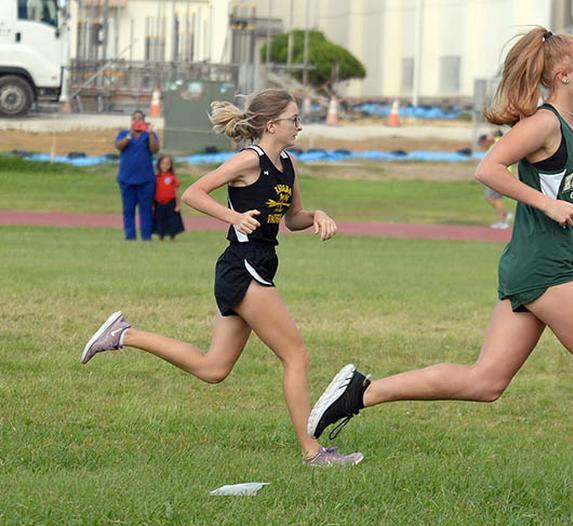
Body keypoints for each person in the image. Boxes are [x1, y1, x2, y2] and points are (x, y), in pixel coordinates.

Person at [307, 28, 573, 526]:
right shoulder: (541, 124)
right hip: (544, 271)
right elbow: (488, 169)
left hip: (539, 266)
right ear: (563, 75)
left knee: (486, 382)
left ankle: (359, 393)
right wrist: (544, 202)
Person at [81, 89, 363, 467]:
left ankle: (123, 334)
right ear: (271, 125)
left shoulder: (288, 165)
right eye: (294, 119)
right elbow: (195, 193)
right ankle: (312, 453)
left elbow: (292, 219)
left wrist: (318, 215)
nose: (299, 125)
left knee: (213, 369)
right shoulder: (249, 160)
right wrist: (234, 217)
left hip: (258, 264)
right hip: (241, 266)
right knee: (297, 355)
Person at [115, 110, 160, 241]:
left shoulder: (149, 135)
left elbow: (155, 149)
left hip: (146, 180)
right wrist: (129, 135)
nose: (137, 121)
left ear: (144, 121)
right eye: (135, 119)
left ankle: (146, 236)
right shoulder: (124, 134)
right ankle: (130, 236)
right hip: (126, 179)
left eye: (140, 119)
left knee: (146, 209)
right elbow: (119, 146)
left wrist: (150, 133)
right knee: (128, 210)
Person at [478, 129, 514, 229]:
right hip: (496, 174)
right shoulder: (492, 146)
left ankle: (504, 220)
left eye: (482, 143)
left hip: (500, 174)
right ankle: (505, 215)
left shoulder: (498, 141)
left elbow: (497, 131)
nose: (482, 146)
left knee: (494, 198)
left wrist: (491, 134)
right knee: (490, 197)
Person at [152, 155, 185, 241]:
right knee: (160, 220)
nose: (165, 166)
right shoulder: (156, 178)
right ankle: (161, 236)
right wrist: (153, 204)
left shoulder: (172, 177)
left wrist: (178, 204)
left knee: (172, 220)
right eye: (163, 163)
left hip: (170, 202)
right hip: (159, 203)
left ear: (170, 165)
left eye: (167, 164)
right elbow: (153, 191)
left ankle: (172, 236)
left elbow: (176, 192)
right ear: (159, 165)